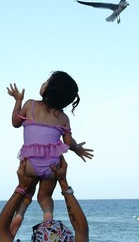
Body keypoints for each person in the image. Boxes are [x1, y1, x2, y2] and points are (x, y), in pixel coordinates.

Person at [7, 72, 94, 224]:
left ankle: (19, 215)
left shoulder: (30, 105)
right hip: (52, 166)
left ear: (49, 90)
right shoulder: (63, 118)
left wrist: (18, 100)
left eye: (47, 81)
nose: (44, 82)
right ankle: (47, 217)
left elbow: (15, 122)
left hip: (30, 163)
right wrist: (78, 149)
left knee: (27, 192)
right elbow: (68, 142)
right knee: (44, 197)